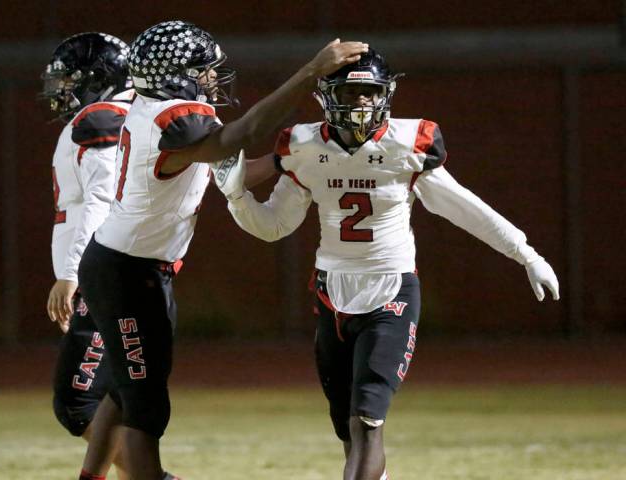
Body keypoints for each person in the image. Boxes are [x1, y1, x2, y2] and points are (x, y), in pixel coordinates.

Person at [220, 48, 560, 480]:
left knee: (367, 421)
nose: (361, 102)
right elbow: (274, 226)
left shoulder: (405, 145)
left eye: (370, 93)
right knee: (348, 429)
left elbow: (465, 208)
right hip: (332, 292)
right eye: (350, 91)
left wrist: (525, 252)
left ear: (386, 95)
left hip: (390, 293)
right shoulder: (305, 146)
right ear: (327, 97)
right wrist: (236, 197)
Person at [75, 19, 368, 480]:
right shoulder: (173, 119)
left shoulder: (163, 116)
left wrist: (293, 159)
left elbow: (233, 170)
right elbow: (245, 132)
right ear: (176, 73)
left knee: (125, 387)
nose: (213, 77)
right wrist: (312, 70)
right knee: (146, 404)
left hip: (137, 267)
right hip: (125, 272)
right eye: (203, 68)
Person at [41, 31, 143, 480]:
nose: (62, 90)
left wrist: (69, 273)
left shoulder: (102, 118)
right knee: (112, 398)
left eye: (70, 80)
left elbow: (100, 201)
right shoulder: (110, 116)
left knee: (80, 401)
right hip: (113, 272)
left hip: (106, 275)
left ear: (97, 78)